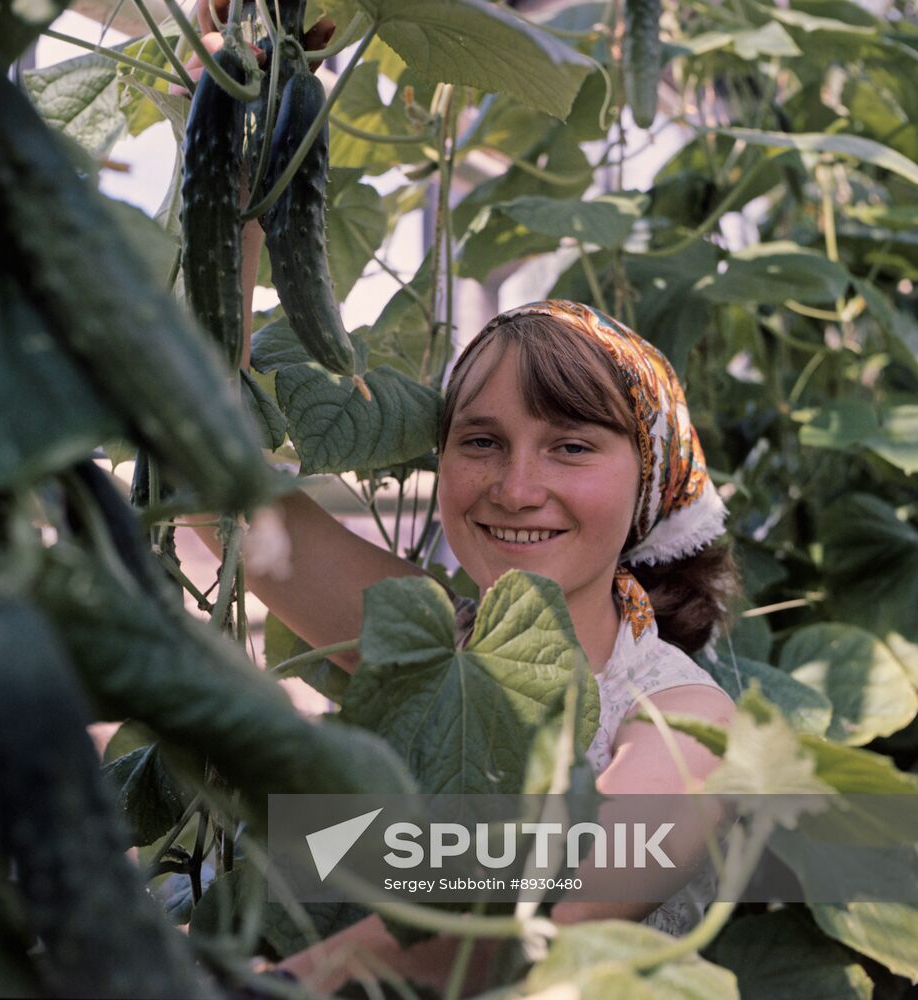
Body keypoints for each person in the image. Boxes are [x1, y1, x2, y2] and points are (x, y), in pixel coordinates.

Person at [180, 4, 737, 992]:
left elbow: (528, 928)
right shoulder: (423, 639)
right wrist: (237, 151)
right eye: (480, 441)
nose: (516, 485)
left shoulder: (685, 719)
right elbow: (201, 478)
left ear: (650, 479)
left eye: (571, 444)